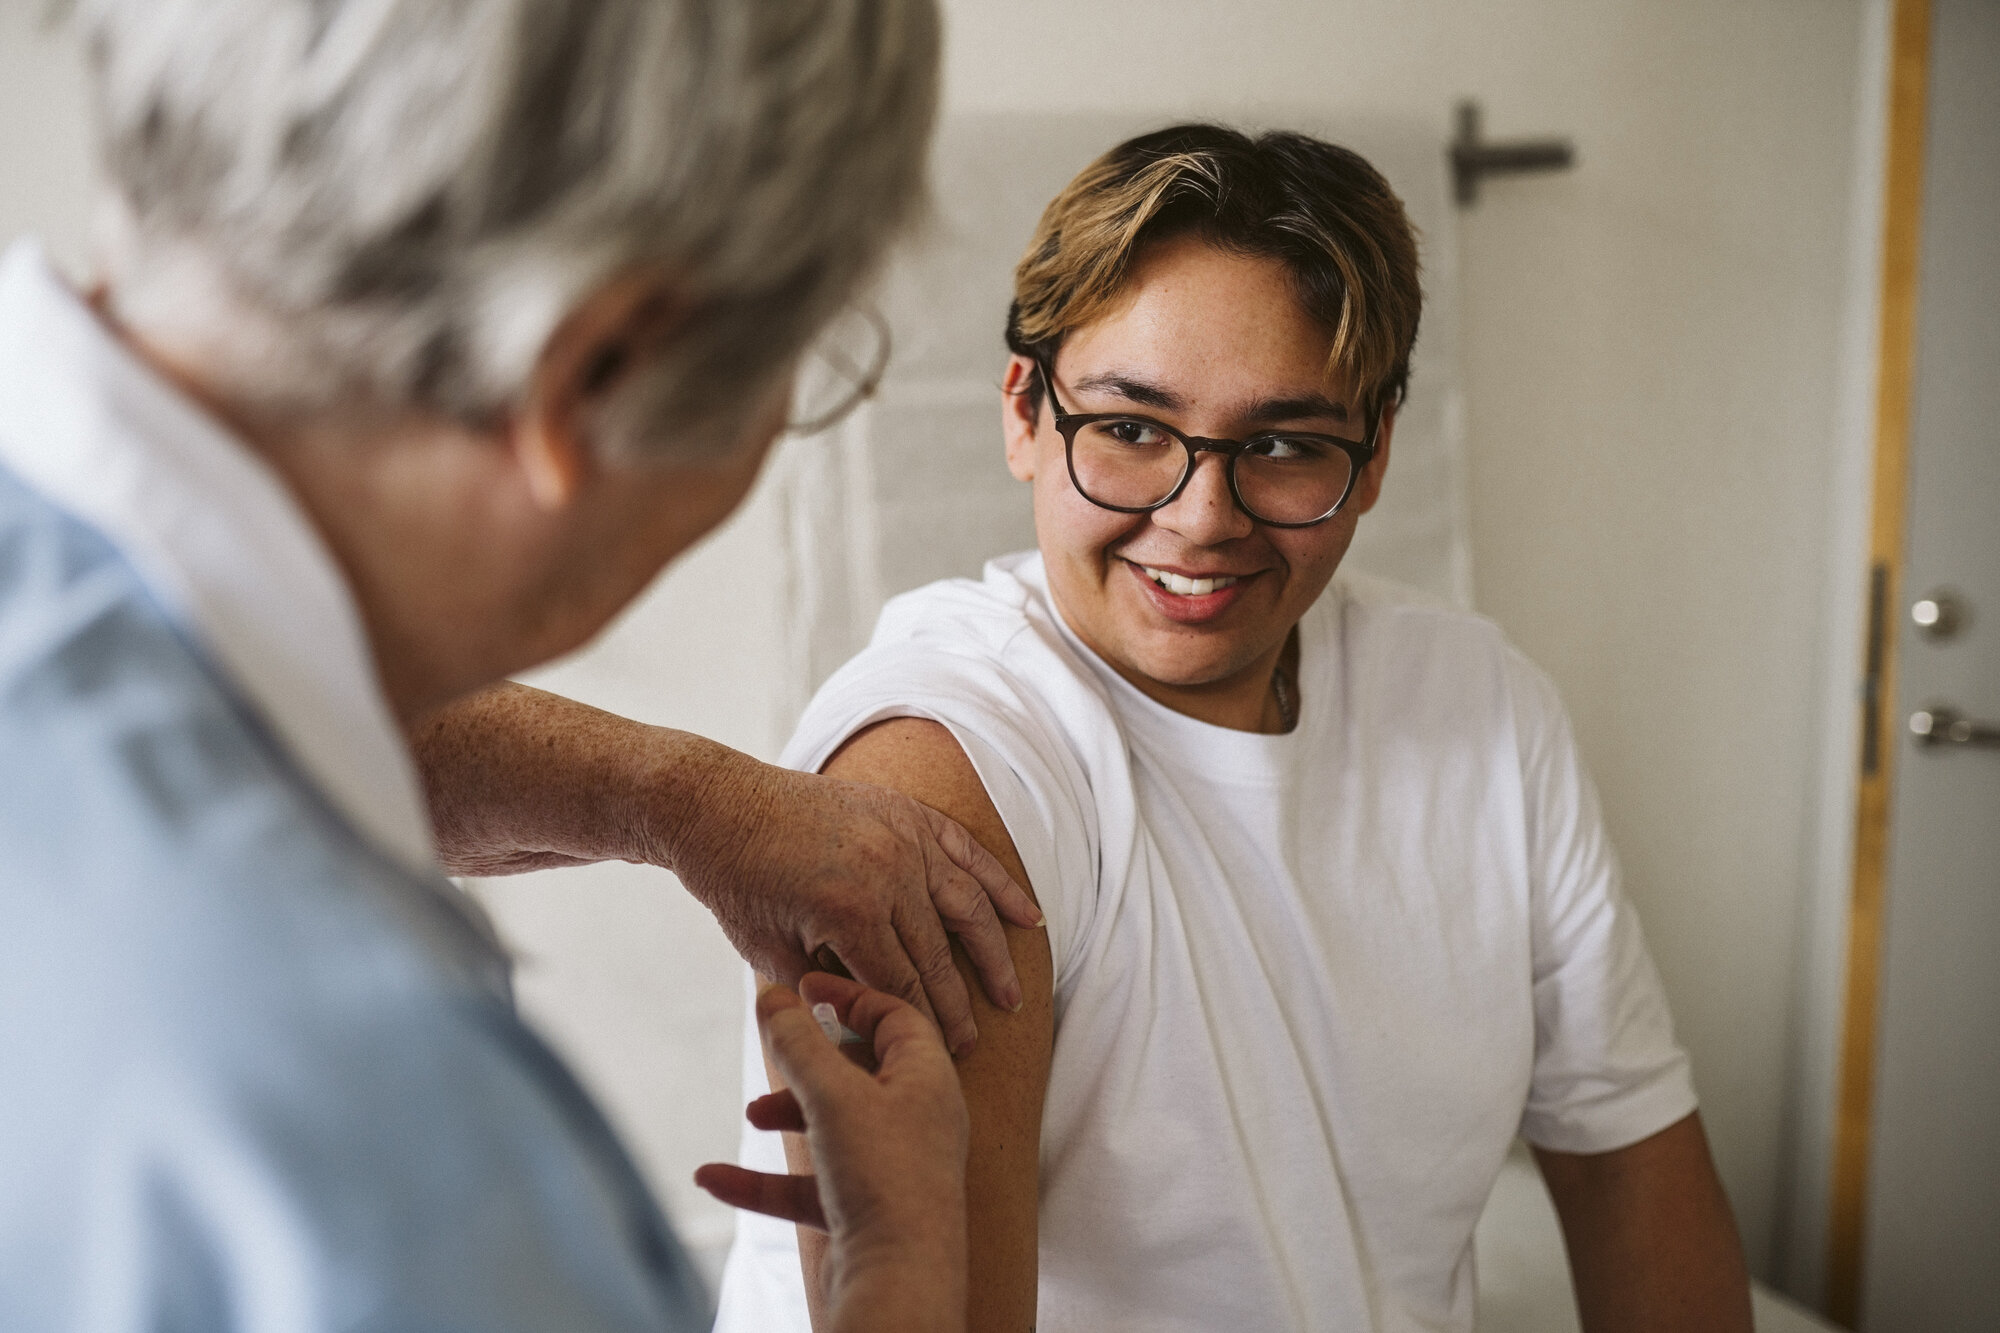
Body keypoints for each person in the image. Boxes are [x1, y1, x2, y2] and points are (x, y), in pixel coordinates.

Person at [0, 2, 1014, 1328]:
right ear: (596, 370)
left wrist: (669, 797)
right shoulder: (385, 1158)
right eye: (806, 359)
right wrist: (899, 1265)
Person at [715, 124, 1756, 1331]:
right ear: (1023, 414)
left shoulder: (1481, 708)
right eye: (1130, 427)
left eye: (1280, 446)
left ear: (1370, 460)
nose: (1200, 516)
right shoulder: (946, 753)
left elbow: (1629, 1164)